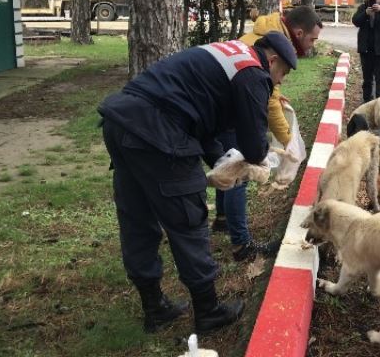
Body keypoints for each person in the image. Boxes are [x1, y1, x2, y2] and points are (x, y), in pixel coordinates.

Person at [98, 32, 297, 334]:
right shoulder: (254, 74)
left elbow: (199, 118)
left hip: (121, 122)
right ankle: (208, 310)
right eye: (281, 74)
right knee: (188, 218)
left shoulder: (228, 53)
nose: (278, 82)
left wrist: (220, 161)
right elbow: (254, 146)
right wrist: (260, 160)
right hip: (159, 132)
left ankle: (154, 307)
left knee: (137, 218)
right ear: (272, 61)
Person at [210, 6, 322, 262]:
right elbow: (268, 101)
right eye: (312, 39)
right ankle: (241, 245)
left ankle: (223, 219)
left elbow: (269, 90)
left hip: (224, 106)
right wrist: (289, 141)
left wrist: (273, 94)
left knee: (226, 160)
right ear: (299, 33)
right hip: (229, 110)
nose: (312, 45)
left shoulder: (264, 35)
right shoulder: (275, 47)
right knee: (240, 170)